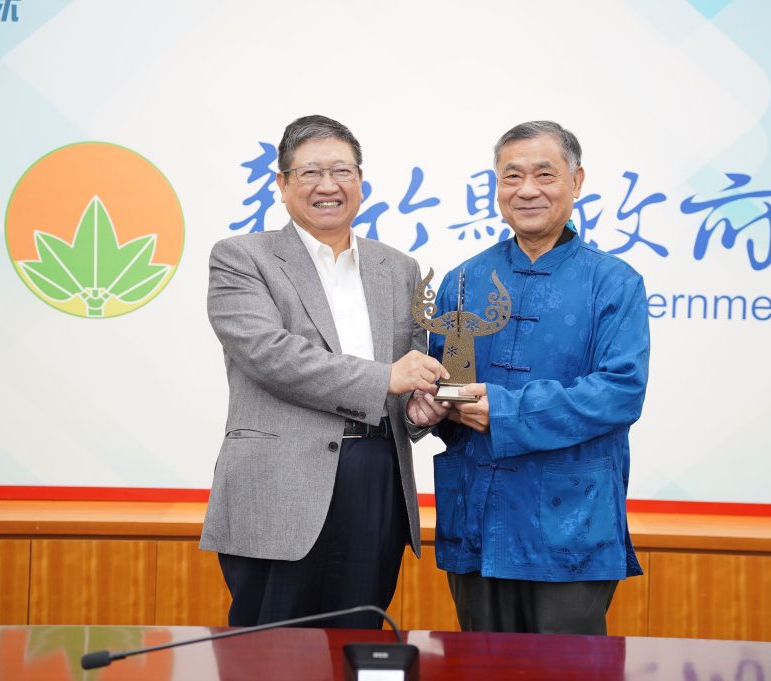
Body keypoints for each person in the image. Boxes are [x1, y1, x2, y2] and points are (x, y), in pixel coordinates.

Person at [201, 115, 447, 629]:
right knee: (268, 648)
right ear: (282, 184)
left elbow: (408, 372)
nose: (328, 186)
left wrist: (418, 411)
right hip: (279, 484)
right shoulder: (242, 258)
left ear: (360, 181)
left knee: (357, 638)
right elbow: (270, 354)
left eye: (341, 171)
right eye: (311, 172)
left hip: (376, 478)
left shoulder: (398, 268)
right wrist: (385, 380)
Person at [407, 120, 650, 635]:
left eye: (545, 174)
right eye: (511, 176)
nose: (527, 190)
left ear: (576, 181)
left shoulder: (614, 283)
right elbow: (445, 385)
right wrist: (431, 408)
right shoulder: (463, 279)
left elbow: (620, 391)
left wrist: (505, 409)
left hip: (570, 527)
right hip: (477, 519)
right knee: (476, 667)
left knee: (567, 669)